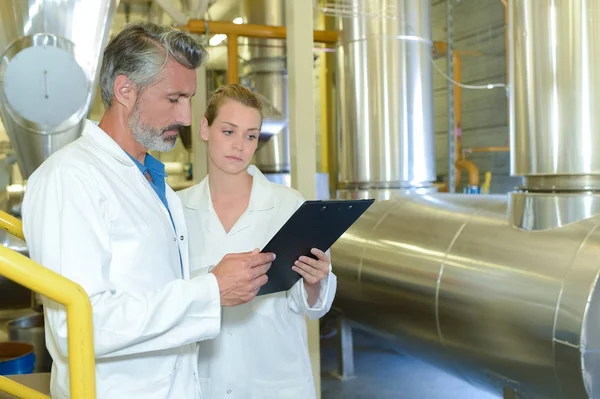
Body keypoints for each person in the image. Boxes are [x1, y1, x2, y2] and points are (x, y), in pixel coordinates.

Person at [21, 23, 274, 399]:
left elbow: (147, 286)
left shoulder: (153, 181)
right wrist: (210, 290)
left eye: (188, 99)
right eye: (174, 99)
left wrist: (221, 277)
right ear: (125, 90)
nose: (187, 117)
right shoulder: (70, 178)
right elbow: (79, 326)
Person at [178, 84, 337, 399]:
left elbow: (313, 306)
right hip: (204, 382)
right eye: (228, 131)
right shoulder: (177, 209)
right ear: (205, 128)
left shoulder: (289, 205)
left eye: (251, 135)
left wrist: (315, 282)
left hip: (277, 380)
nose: (239, 145)